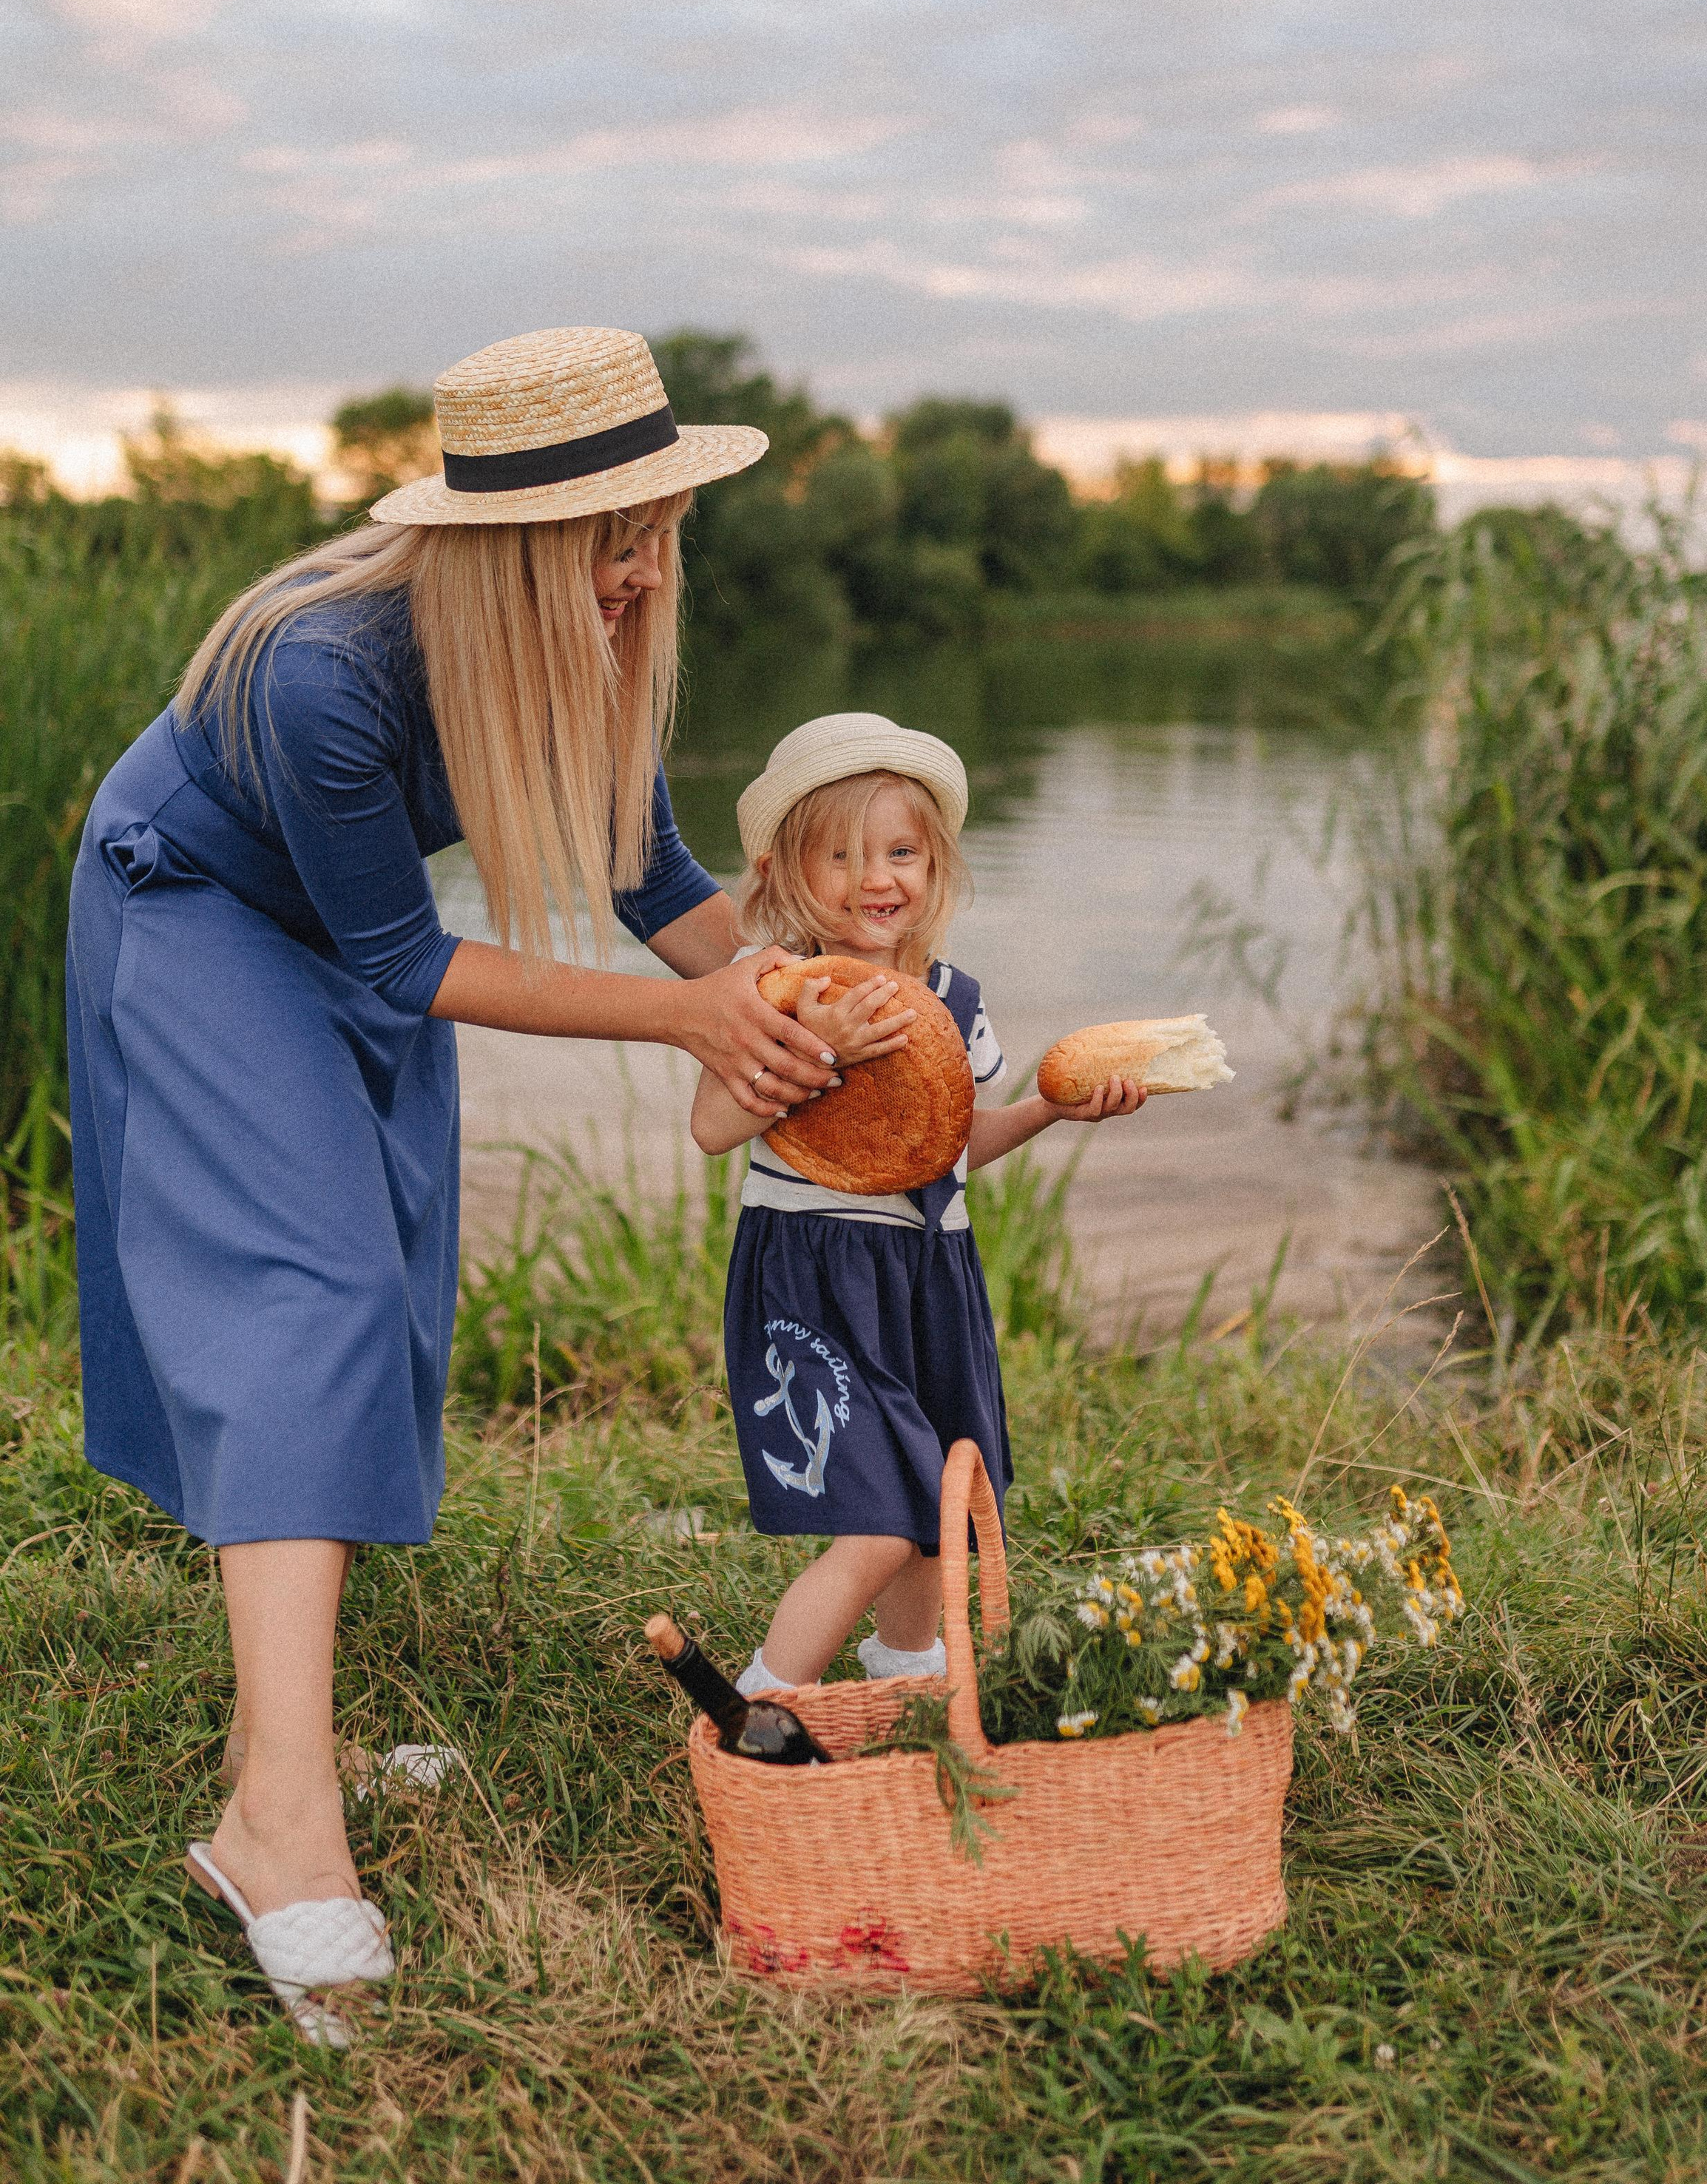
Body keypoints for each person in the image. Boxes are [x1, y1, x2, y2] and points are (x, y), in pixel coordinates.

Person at [65, 325, 839, 2043]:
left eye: (652, 529)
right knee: (308, 1284)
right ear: (500, 545)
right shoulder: (318, 668)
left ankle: (307, 1728)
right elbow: (406, 952)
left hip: (333, 931)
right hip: (194, 906)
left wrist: (810, 1007)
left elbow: (655, 874)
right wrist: (685, 1024)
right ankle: (273, 1819)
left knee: (393, 1272)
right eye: (603, 540)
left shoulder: (586, 639)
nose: (640, 571)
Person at [689, 712, 1149, 1700]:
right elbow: (715, 1124)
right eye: (843, 855)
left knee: (938, 1504)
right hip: (817, 1272)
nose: (876, 876)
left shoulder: (952, 996)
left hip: (929, 1271)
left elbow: (957, 1144)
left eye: (901, 851)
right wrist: (826, 1049)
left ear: (935, 866)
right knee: (878, 1524)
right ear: (782, 873)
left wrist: (1050, 1109)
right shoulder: (772, 985)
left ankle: (908, 1682)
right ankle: (755, 1711)